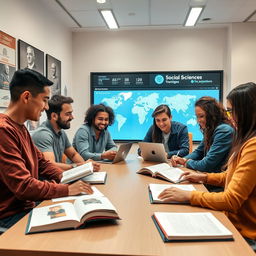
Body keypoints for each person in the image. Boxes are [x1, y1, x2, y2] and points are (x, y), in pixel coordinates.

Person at [158, 82, 256, 250]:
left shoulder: (252, 145)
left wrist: (188, 196)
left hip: (245, 235)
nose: (230, 116)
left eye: (231, 110)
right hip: (231, 221)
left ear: (246, 111)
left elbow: (231, 199)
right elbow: (230, 175)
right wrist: (203, 177)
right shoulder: (245, 139)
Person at [0, 69, 93, 230]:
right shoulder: (3, 130)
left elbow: (43, 164)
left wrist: (69, 179)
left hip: (27, 208)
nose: (46, 107)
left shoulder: (21, 128)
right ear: (26, 97)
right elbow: (24, 186)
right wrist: (67, 189)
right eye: (44, 100)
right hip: (9, 217)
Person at [32, 95, 100, 171]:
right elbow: (51, 166)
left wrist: (87, 168)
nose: (72, 117)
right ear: (54, 116)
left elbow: (73, 155)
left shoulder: (61, 132)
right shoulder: (43, 135)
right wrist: (80, 166)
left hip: (57, 178)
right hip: (47, 181)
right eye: (68, 114)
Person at [171, 97, 234, 173]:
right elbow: (199, 152)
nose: (198, 120)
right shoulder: (211, 128)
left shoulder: (224, 130)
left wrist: (185, 162)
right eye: (197, 117)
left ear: (212, 114)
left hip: (216, 181)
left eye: (201, 116)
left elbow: (207, 165)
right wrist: (183, 159)